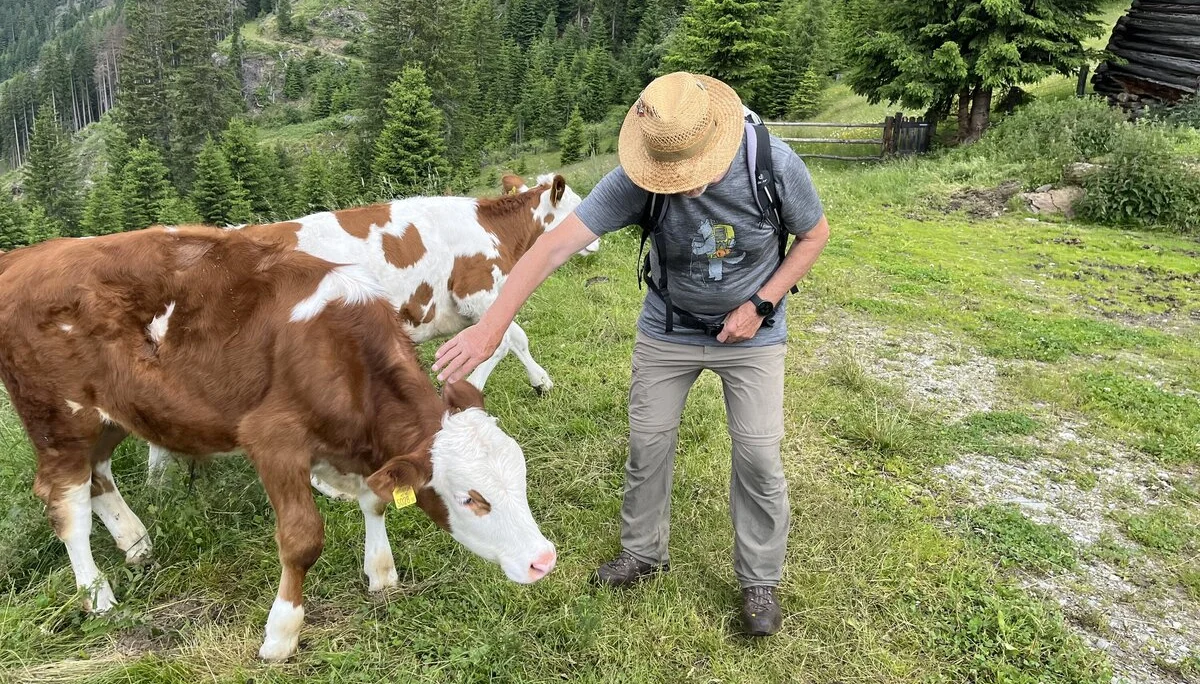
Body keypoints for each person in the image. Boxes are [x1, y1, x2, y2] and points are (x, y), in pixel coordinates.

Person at [433, 71, 830, 637]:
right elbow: (551, 248)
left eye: (693, 173)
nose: (682, 186)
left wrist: (762, 304)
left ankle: (759, 579)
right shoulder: (639, 175)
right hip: (669, 328)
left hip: (753, 336)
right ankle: (643, 552)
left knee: (760, 458)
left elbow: (815, 235)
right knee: (647, 443)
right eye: (670, 175)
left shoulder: (774, 165)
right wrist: (490, 328)